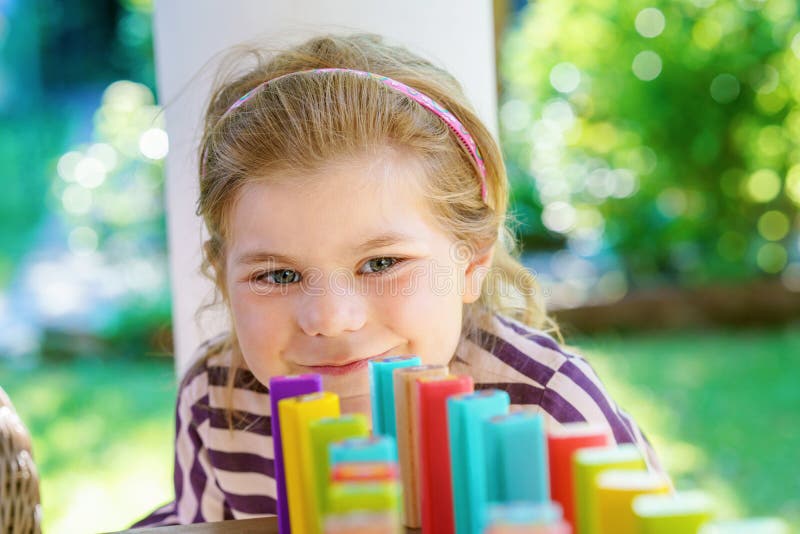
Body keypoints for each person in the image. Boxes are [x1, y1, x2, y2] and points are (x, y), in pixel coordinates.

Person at [132, 32, 666, 527]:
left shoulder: (551, 412)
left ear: (472, 262)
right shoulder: (218, 401)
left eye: (382, 263)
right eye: (278, 274)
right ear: (223, 279)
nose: (330, 319)